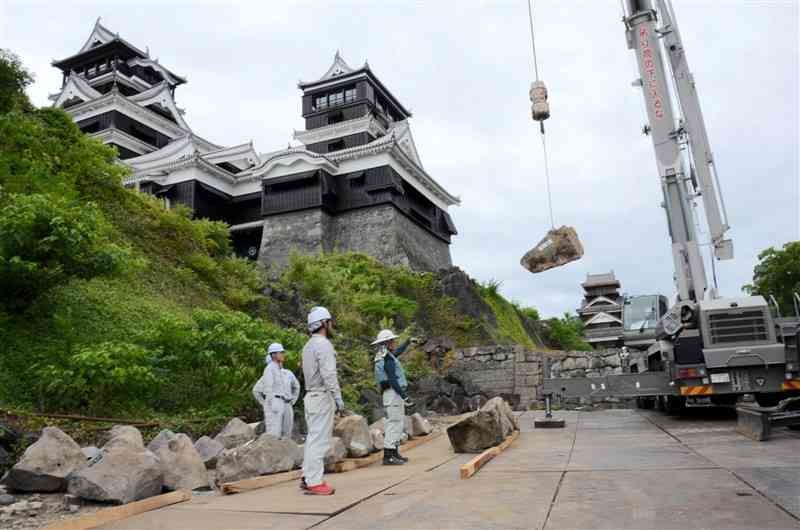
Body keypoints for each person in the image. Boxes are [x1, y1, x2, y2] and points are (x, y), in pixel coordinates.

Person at [300, 306, 343, 496]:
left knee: (312, 439)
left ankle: (307, 476)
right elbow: (329, 374)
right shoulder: (324, 345)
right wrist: (338, 398)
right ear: (324, 323)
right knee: (319, 440)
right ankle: (314, 482)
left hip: (310, 396)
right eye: (330, 321)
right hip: (321, 396)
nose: (332, 325)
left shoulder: (308, 346)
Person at [372, 329, 415, 465]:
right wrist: (405, 397)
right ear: (386, 343)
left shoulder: (384, 356)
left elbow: (397, 353)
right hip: (393, 393)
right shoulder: (387, 359)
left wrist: (407, 342)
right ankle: (388, 456)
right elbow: (393, 380)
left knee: (397, 423)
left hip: (391, 393)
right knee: (394, 424)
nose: (394, 342)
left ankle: (394, 453)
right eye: (392, 341)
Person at [252, 343, 292, 438]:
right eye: (280, 352)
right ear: (273, 355)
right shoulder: (269, 369)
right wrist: (268, 403)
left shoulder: (277, 369)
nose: (283, 354)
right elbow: (268, 389)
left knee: (282, 434)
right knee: (273, 434)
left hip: (280, 402)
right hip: (274, 402)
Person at [282, 366, 301, 439]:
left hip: (287, 403)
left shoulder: (288, 373)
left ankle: (286, 448)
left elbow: (296, 386)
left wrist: (293, 400)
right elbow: (257, 390)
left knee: (287, 431)